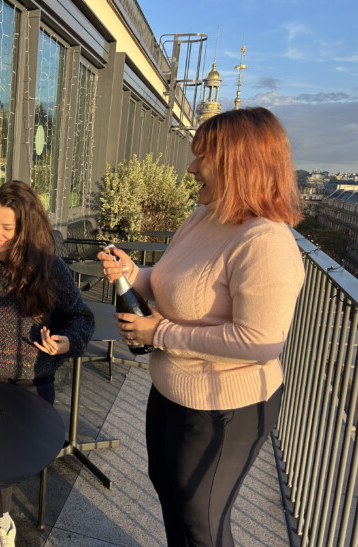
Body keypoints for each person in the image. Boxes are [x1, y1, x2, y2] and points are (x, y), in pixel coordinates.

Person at [98, 107, 304, 546]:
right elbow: (169, 283)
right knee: (171, 497)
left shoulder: (265, 241)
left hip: (224, 411)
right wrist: (133, 273)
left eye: (202, 156)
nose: (191, 168)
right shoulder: (202, 218)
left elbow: (260, 342)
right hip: (171, 393)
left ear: (239, 163)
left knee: (202, 522)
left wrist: (160, 334)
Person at [0, 180, 95, 546]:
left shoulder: (50, 268)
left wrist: (66, 342)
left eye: (7, 228)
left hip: (29, 383)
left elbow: (81, 318)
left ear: (27, 229)